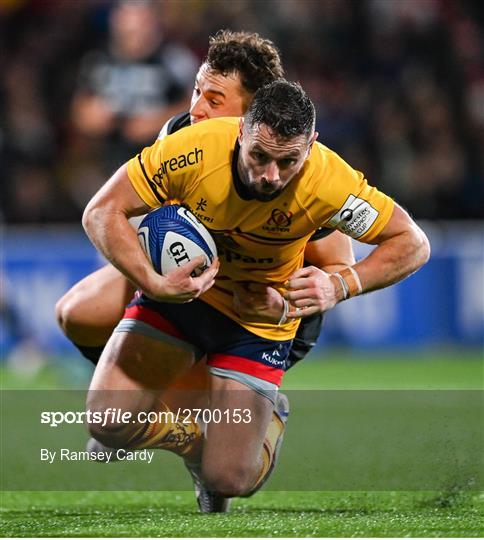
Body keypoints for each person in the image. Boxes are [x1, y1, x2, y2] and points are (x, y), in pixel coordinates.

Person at [82, 81, 430, 513]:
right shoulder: (193, 149)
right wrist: (152, 284)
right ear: (241, 132)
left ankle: (256, 428)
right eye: (260, 156)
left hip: (259, 325)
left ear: (311, 146)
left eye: (288, 161)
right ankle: (195, 440)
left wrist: (342, 285)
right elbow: (101, 210)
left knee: (228, 479)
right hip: (183, 301)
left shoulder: (329, 181)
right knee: (106, 421)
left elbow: (412, 243)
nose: (271, 175)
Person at [57, 30, 354, 369]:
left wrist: (284, 303)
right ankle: (168, 404)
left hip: (256, 308)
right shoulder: (179, 134)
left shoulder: (297, 169)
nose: (196, 109)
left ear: (254, 114)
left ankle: (231, 403)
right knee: (76, 313)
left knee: (206, 410)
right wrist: (153, 278)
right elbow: (112, 210)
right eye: (197, 91)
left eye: (214, 100)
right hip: (198, 284)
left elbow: (335, 266)